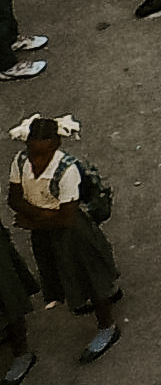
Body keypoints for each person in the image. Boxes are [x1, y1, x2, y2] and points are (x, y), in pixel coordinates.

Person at [7, 116, 120, 362]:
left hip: (73, 233)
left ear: (55, 145)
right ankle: (86, 299)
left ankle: (107, 327)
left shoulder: (66, 170)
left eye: (42, 154)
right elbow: (13, 199)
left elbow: (67, 219)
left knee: (90, 273)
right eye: (31, 150)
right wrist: (45, 215)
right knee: (61, 271)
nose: (36, 160)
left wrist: (31, 220)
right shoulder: (21, 161)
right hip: (46, 230)